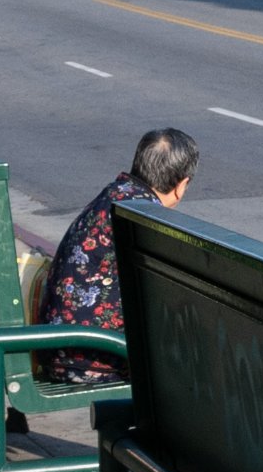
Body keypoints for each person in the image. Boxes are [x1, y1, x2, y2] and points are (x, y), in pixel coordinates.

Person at [29, 128, 198, 384]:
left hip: (58, 348)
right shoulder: (146, 218)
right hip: (96, 356)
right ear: (181, 186)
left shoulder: (114, 194)